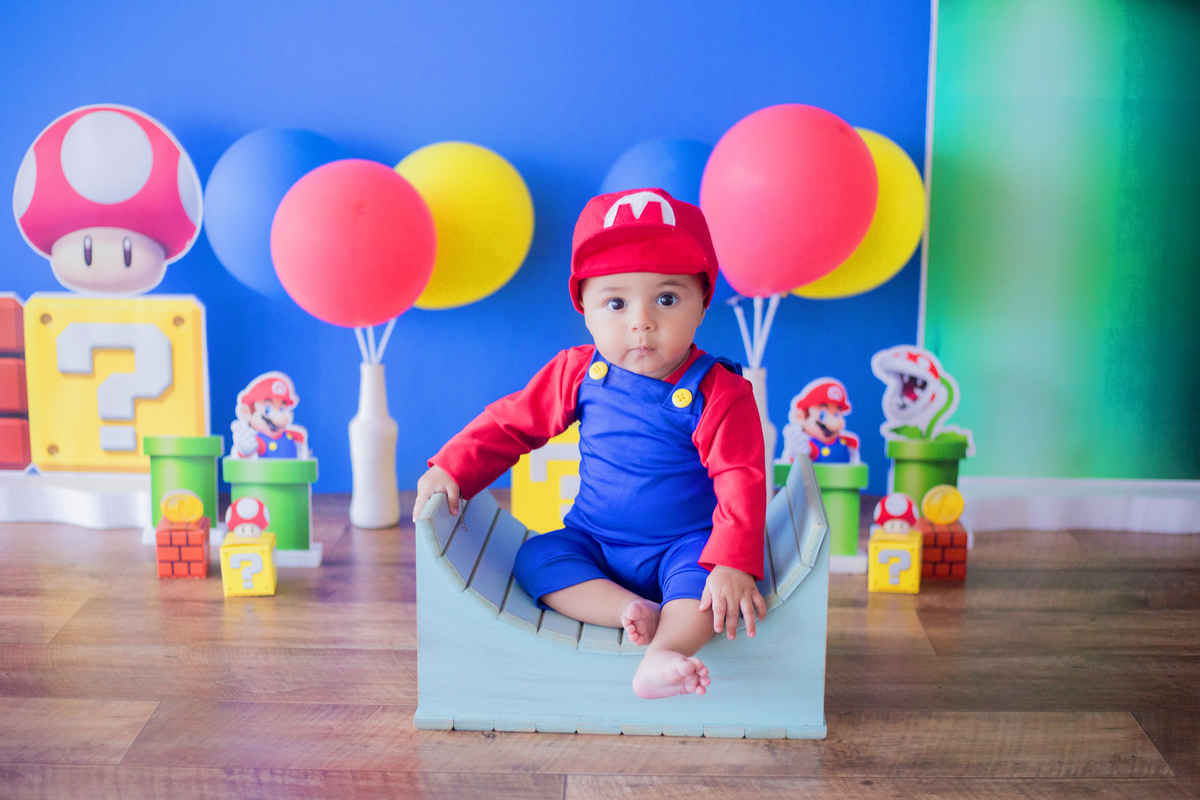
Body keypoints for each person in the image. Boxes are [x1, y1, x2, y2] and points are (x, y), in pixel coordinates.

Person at [413, 188, 766, 700]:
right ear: (585, 310)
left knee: (709, 592)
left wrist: (732, 561)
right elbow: (511, 424)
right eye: (616, 302)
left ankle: (665, 650)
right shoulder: (580, 372)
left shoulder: (720, 393)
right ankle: (625, 608)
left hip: (685, 545)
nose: (641, 321)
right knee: (536, 559)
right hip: (597, 542)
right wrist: (453, 467)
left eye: (666, 299)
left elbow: (741, 479)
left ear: (703, 302)